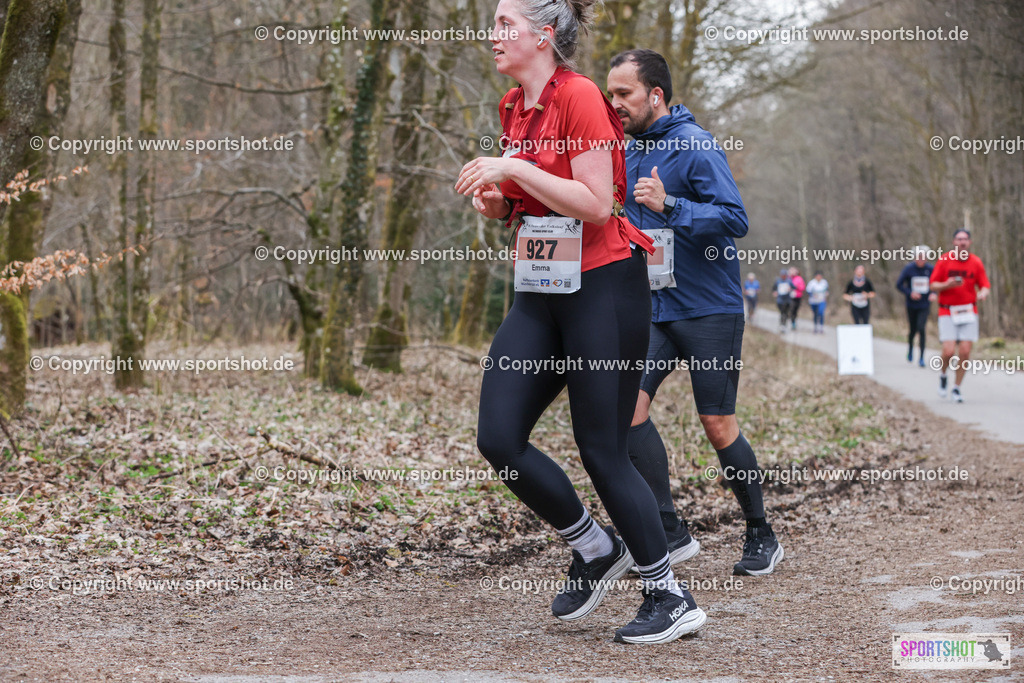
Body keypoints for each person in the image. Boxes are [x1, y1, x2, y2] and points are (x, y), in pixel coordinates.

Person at [456, 4, 705, 645]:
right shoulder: (516, 105)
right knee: (499, 437)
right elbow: (527, 203)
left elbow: (597, 205)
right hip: (541, 291)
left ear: (543, 36)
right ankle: (595, 547)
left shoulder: (584, 98)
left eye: (505, 22)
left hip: (605, 288)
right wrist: (497, 199)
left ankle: (669, 595)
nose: (493, 33)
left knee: (601, 448)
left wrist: (511, 168)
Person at [608, 48, 783, 578]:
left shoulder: (696, 145)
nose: (614, 103)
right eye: (609, 94)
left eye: (624, 94)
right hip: (654, 306)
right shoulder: (627, 149)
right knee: (626, 411)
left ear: (655, 95)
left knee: (716, 421)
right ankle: (669, 528)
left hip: (709, 308)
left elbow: (735, 218)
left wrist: (672, 207)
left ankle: (761, 532)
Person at [930, 229, 990, 402]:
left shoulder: (976, 262)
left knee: (965, 351)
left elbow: (984, 284)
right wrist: (946, 285)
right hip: (947, 310)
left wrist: (983, 293)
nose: (962, 242)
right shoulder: (944, 260)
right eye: (959, 239)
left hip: (969, 311)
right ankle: (943, 375)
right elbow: (933, 285)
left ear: (970, 242)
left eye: (965, 239)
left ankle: (956, 387)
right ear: (954, 242)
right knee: (948, 351)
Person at [896, 245, 936, 367]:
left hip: (924, 304)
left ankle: (922, 357)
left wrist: (933, 293)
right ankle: (910, 349)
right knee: (913, 330)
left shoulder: (930, 269)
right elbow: (899, 285)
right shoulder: (909, 269)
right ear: (914, 257)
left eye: (923, 257)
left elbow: (936, 283)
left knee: (921, 328)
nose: (921, 259)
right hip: (912, 305)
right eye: (918, 257)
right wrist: (910, 293)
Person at [771, 268, 793, 332]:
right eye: (782, 275)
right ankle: (782, 325)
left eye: (784, 275)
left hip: (787, 300)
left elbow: (794, 287)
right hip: (780, 300)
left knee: (785, 313)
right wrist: (775, 293)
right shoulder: (778, 281)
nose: (783, 276)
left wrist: (790, 289)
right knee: (782, 312)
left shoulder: (789, 281)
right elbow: (773, 289)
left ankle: (783, 325)